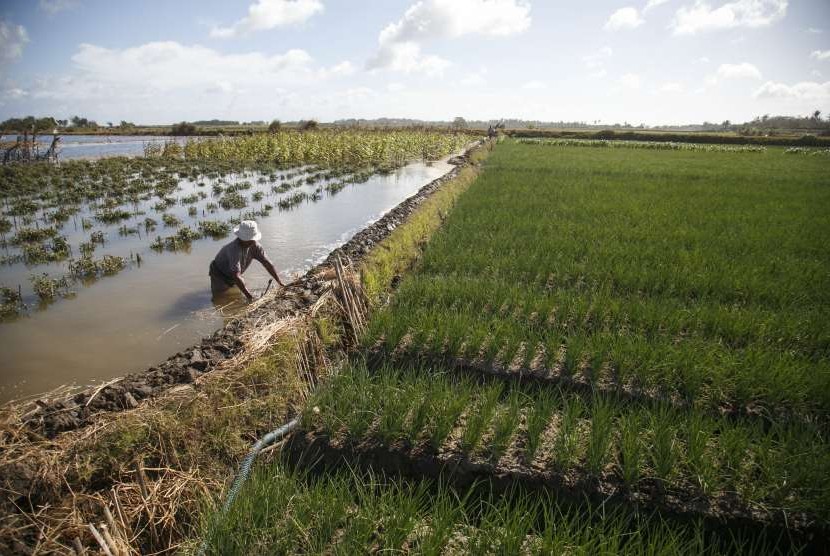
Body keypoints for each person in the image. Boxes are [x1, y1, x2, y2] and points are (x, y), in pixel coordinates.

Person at [209, 220, 284, 301]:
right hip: (219, 274)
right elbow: (236, 275)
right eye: (250, 240)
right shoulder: (233, 249)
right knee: (220, 297)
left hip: (233, 274)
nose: (253, 241)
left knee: (235, 295)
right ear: (241, 238)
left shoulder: (255, 246)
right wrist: (250, 297)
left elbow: (267, 263)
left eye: (253, 239)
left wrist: (279, 282)